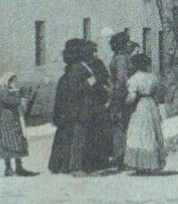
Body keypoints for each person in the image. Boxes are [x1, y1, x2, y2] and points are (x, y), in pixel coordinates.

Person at [47, 39, 96, 174]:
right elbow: (86, 89)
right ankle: (75, 167)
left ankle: (59, 165)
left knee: (64, 135)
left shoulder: (69, 71)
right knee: (77, 136)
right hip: (78, 108)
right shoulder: (81, 70)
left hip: (66, 107)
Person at [122, 51, 167, 174]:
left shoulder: (134, 79)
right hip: (151, 104)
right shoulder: (153, 77)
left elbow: (131, 97)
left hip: (140, 106)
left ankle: (140, 165)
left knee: (139, 133)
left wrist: (124, 103)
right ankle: (151, 164)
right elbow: (157, 95)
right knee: (151, 132)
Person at [0, 72, 37, 177]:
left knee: (18, 143)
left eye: (15, 80)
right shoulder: (4, 92)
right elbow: (12, 101)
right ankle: (8, 168)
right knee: (6, 145)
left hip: (16, 121)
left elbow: (23, 101)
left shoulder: (15, 92)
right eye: (12, 81)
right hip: (6, 121)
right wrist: (20, 99)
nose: (14, 83)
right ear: (7, 82)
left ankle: (19, 167)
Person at [106, 29, 139, 170]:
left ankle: (121, 157)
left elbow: (121, 79)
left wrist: (117, 97)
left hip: (120, 97)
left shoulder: (120, 59)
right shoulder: (125, 58)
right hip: (125, 96)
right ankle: (124, 157)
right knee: (124, 126)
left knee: (119, 127)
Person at [80, 44, 115, 173]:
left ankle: (103, 159)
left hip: (101, 101)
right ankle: (91, 162)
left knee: (103, 132)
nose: (94, 55)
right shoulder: (83, 67)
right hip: (91, 102)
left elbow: (106, 78)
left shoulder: (98, 64)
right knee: (92, 134)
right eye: (92, 53)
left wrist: (107, 90)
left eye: (95, 52)